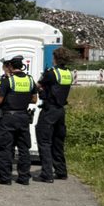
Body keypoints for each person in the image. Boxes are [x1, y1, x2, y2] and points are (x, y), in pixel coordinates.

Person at [0, 55, 37, 185]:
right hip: (23, 116)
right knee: (23, 149)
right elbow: (34, 99)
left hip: (9, 118)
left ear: (11, 67)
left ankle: (4, 178)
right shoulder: (30, 80)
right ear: (22, 66)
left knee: (5, 147)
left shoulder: (8, 81)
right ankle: (24, 178)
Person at [34, 49, 73, 183]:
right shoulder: (68, 73)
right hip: (61, 111)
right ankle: (61, 171)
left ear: (55, 58)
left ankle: (46, 174)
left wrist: (40, 88)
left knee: (44, 141)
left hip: (49, 110)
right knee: (58, 142)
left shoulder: (51, 73)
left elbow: (38, 85)